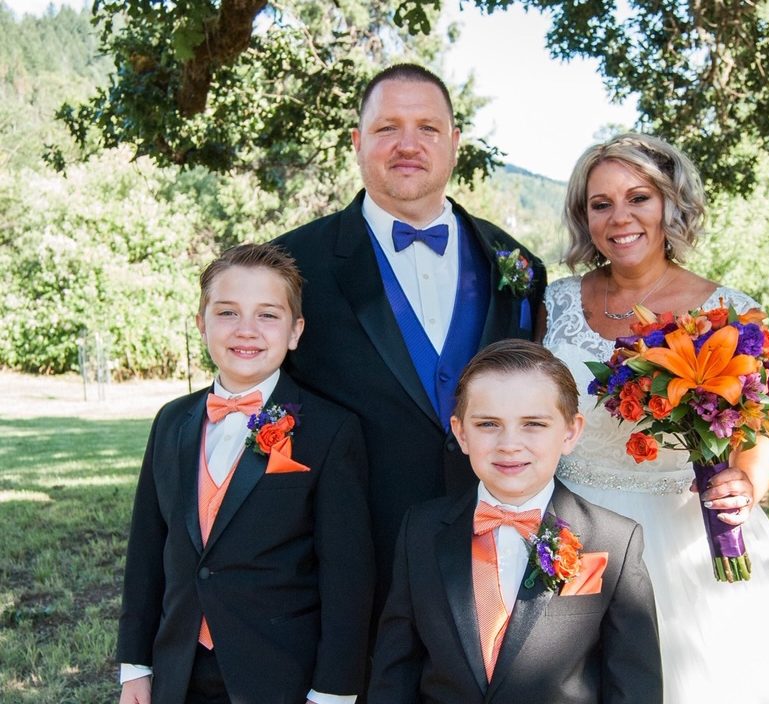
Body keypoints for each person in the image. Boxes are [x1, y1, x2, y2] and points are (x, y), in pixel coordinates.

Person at [538, 132, 769, 703]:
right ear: (584, 219)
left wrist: (747, 482)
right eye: (601, 204)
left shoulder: (729, 311)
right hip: (572, 527)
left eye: (639, 197)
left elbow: (763, 434)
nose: (620, 218)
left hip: (686, 530)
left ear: (670, 202)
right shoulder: (554, 304)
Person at [270, 63, 546, 615]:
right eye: (387, 127)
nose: (408, 145)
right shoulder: (291, 265)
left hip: (493, 546)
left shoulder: (515, 264)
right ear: (357, 142)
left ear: (455, 143)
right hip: (353, 557)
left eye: (427, 128)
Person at [117, 244, 374, 704]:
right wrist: (135, 666)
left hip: (280, 675)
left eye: (268, 316)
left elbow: (346, 576)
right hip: (180, 670)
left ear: (296, 332)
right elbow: (147, 551)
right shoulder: (171, 421)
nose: (246, 331)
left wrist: (333, 690)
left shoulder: (331, 430)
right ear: (201, 323)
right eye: (228, 312)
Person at [368, 339, 662, 703]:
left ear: (570, 432)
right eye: (489, 423)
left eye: (533, 424)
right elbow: (395, 670)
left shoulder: (614, 541)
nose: (509, 443)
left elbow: (635, 686)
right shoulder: (420, 531)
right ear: (461, 433)